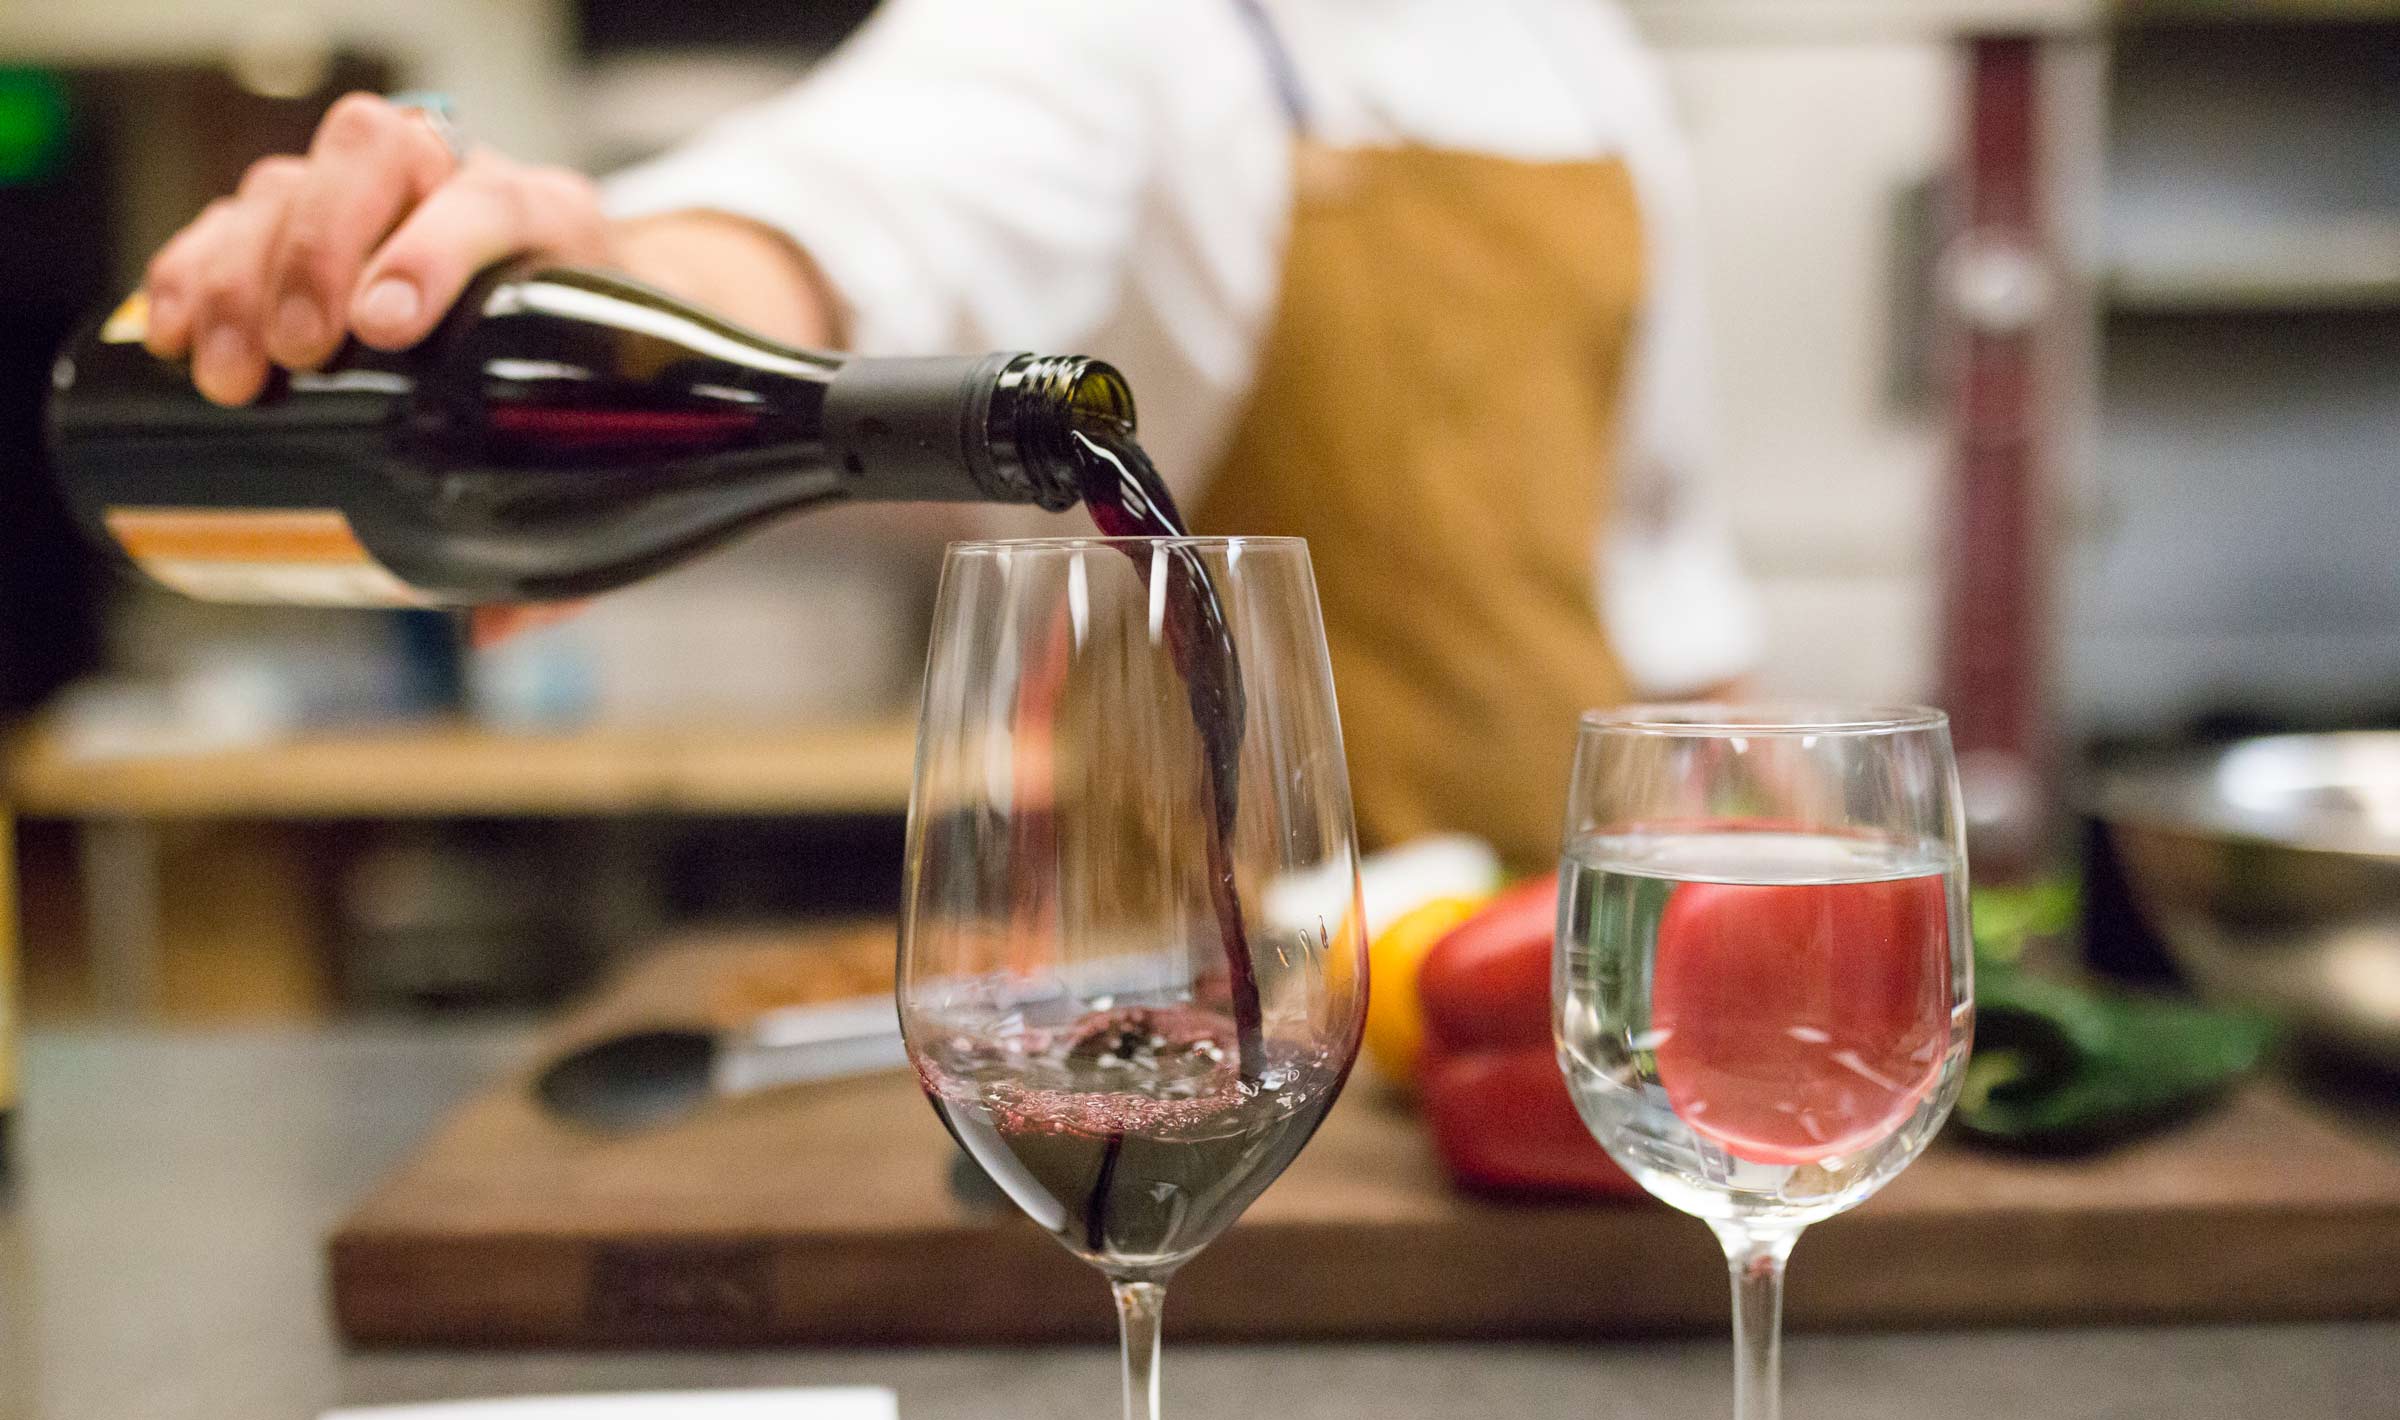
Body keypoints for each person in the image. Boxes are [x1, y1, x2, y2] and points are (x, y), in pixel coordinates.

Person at [137, 0, 1759, 868]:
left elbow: (1665, 588)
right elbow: (845, 214)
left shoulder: (1590, 54)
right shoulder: (1103, 26)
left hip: (1546, 1010)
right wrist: (584, 303)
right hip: (1217, 974)